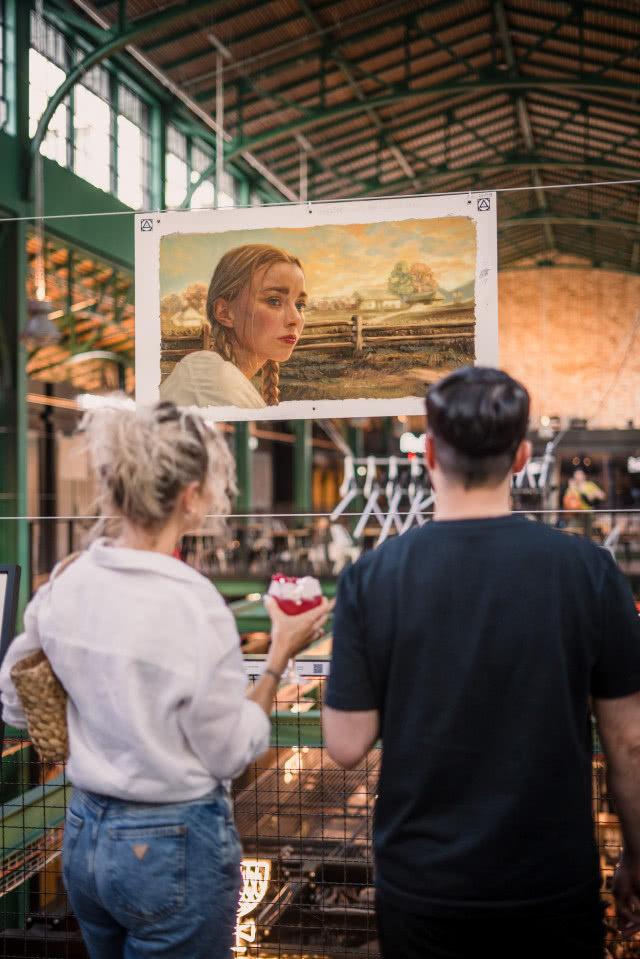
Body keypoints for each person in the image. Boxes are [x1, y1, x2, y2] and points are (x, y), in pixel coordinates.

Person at [322, 366, 640, 959]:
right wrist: (636, 861)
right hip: (551, 885)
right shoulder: (590, 573)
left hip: (422, 889)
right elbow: (629, 744)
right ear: (521, 456)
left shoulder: (372, 578)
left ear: (430, 454)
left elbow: (345, 744)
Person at [0, 401, 330, 959]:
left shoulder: (66, 581)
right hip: (170, 843)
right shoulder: (192, 603)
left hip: (84, 835)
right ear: (190, 495)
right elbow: (229, 750)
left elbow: (14, 704)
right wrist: (280, 651)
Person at [160, 244, 306, 409]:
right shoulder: (215, 381)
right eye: (274, 301)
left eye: (300, 305)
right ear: (224, 312)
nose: (295, 318)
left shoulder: (209, 372)